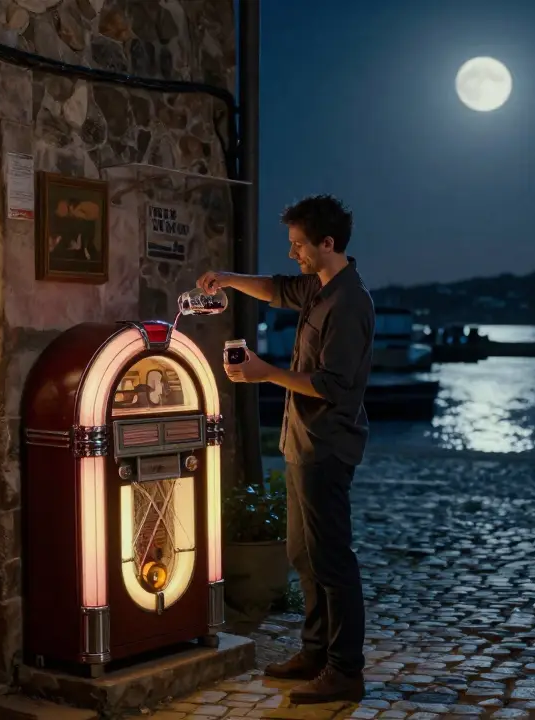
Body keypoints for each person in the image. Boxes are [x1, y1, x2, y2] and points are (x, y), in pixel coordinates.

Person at [197, 194, 373, 704]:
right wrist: (227, 279)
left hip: (327, 446)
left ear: (327, 243)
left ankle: (345, 670)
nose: (293, 253)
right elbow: (275, 289)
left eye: (299, 245)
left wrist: (264, 373)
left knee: (332, 561)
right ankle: (315, 653)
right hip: (301, 443)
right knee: (302, 554)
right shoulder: (319, 287)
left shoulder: (349, 303)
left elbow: (332, 385)